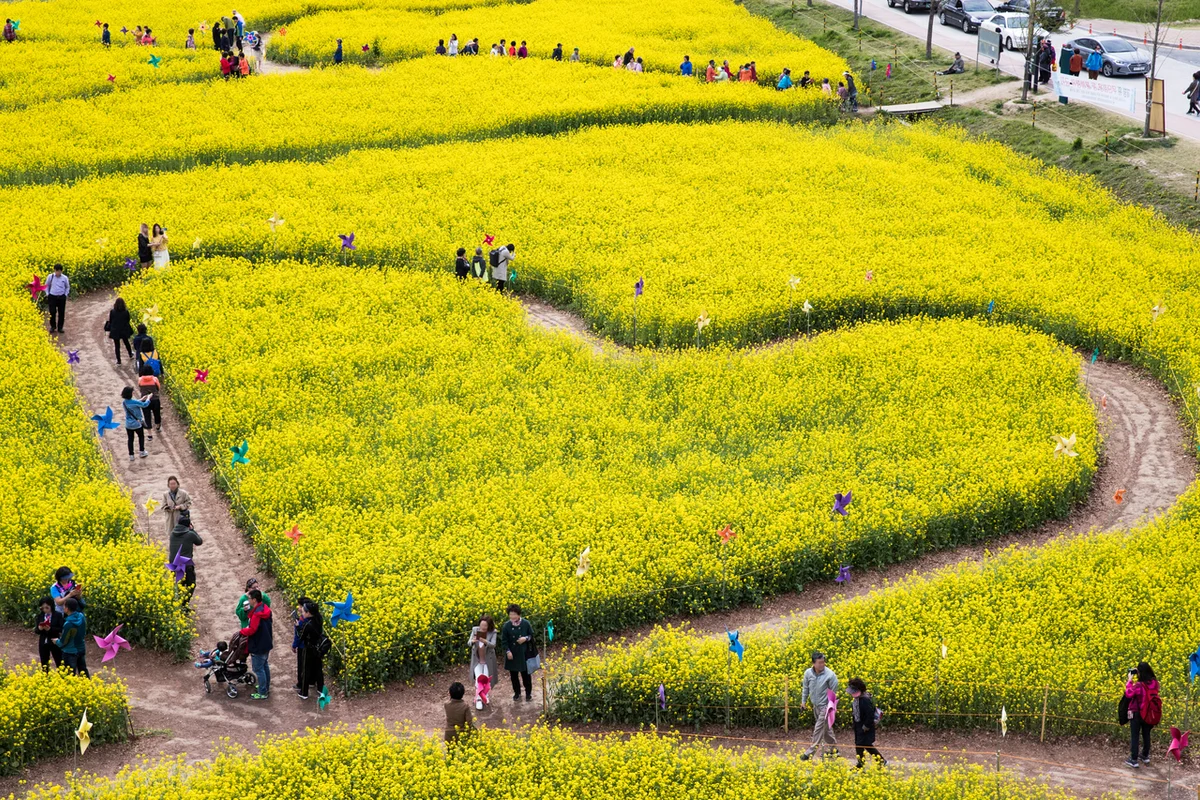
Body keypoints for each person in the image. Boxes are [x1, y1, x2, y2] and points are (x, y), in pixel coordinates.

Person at [799, 651, 839, 760]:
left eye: (823, 662)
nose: (822, 664)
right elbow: (805, 688)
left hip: (826, 706)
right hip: (815, 706)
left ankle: (809, 752)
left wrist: (830, 707)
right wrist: (803, 701)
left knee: (818, 728)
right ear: (813, 663)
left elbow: (834, 692)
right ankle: (834, 750)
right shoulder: (808, 673)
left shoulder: (830, 675)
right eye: (819, 662)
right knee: (825, 729)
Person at [1124, 662, 1160, 768]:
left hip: (1137, 713)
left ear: (1139, 673)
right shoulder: (1155, 683)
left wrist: (1130, 680)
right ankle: (1145, 755)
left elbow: (1128, 693)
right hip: (1149, 713)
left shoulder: (1139, 685)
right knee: (1146, 734)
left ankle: (1133, 760)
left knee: (1135, 736)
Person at [240, 588, 273, 699]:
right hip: (266, 642)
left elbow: (252, 630)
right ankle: (265, 687)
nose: (248, 600)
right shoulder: (265, 609)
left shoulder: (256, 614)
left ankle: (262, 692)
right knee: (264, 665)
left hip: (258, 644)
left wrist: (242, 631)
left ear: (254, 600)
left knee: (259, 669)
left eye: (249, 598)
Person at [848, 678, 886, 767]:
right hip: (858, 725)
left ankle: (862, 764)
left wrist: (866, 726)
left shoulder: (864, 700)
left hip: (865, 726)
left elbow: (870, 715)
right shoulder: (857, 699)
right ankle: (880, 761)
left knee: (862, 744)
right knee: (863, 744)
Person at [501, 604, 535, 701]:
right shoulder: (506, 626)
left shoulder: (525, 623)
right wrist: (508, 651)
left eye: (514, 614)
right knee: (514, 676)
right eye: (510, 614)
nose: (512, 617)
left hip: (523, 653)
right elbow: (504, 641)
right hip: (512, 654)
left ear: (519, 614)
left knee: (526, 675)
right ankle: (517, 693)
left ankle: (528, 693)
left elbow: (531, 635)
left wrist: (525, 638)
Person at [169, 508, 203, 606]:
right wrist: (193, 530)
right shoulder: (190, 534)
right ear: (188, 525)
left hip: (173, 564)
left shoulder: (172, 534)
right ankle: (183, 605)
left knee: (179, 585)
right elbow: (199, 541)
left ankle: (177, 606)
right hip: (185, 563)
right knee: (191, 584)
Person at [294, 599, 325, 699]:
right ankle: (321, 689)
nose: (302, 613)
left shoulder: (308, 625)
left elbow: (301, 636)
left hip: (308, 649)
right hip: (318, 648)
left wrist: (298, 627)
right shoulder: (319, 619)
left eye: (303, 612)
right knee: (318, 669)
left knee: (305, 670)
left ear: (308, 613)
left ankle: (304, 692)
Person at [469, 614, 498, 710]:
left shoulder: (493, 632)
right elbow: (468, 643)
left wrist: (485, 641)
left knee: (485, 679)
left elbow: (493, 645)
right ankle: (478, 699)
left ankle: (485, 695)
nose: (483, 627)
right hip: (477, 660)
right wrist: (473, 641)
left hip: (487, 661)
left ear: (489, 626)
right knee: (478, 679)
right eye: (481, 625)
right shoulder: (475, 630)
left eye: (485, 626)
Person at [56, 598, 88, 677]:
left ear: (67, 609)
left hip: (70, 652)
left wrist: (56, 641)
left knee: (69, 675)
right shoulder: (81, 617)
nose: (63, 608)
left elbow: (64, 641)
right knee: (83, 671)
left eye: (64, 606)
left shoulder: (68, 624)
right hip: (81, 648)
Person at [34, 596, 64, 671]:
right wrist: (40, 628)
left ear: (51, 606)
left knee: (59, 662)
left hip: (55, 641)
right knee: (44, 664)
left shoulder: (58, 615)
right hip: (43, 641)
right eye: (42, 608)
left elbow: (61, 629)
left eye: (47, 607)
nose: (44, 610)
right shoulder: (40, 616)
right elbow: (36, 631)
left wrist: (50, 629)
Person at [122, 385, 151, 461]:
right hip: (137, 424)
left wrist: (141, 399)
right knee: (141, 437)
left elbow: (133, 403)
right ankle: (142, 452)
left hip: (128, 424)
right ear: (130, 393)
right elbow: (145, 405)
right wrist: (148, 398)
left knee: (130, 439)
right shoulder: (134, 402)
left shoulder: (124, 402)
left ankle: (131, 455)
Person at [138, 364, 162, 438]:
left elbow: (139, 386)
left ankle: (150, 434)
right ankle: (157, 426)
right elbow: (158, 387)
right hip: (155, 399)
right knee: (157, 414)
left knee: (147, 416)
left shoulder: (140, 379)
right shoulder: (155, 379)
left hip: (144, 400)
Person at [44, 264, 70, 333]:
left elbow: (67, 287)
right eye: (56, 271)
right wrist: (48, 294)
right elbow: (46, 285)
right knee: (52, 312)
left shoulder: (65, 278)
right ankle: (53, 326)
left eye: (59, 271)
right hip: (52, 297)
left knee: (61, 313)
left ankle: (60, 328)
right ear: (54, 270)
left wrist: (65, 294)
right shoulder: (50, 276)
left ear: (61, 271)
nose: (57, 272)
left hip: (61, 297)